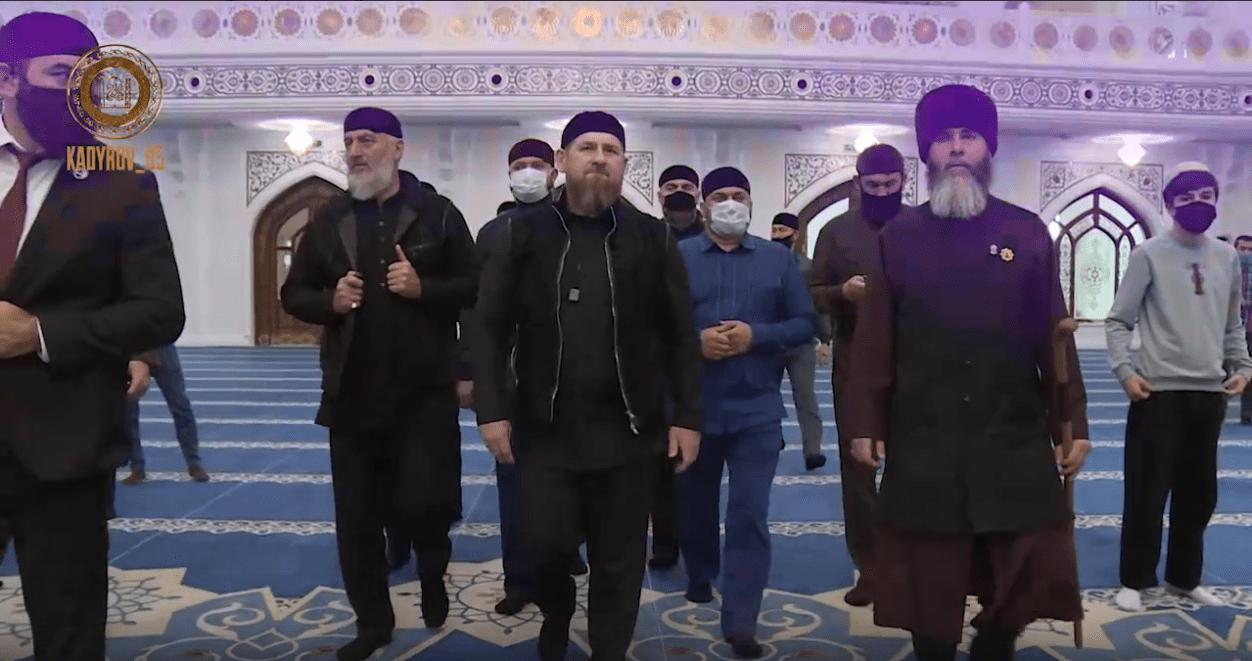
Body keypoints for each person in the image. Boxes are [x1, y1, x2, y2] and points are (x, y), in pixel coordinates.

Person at [845, 84, 1092, 661]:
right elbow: (876, 339)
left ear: (989, 148)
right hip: (925, 437)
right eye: (943, 138)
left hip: (1012, 433)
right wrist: (866, 421)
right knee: (927, 593)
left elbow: (1054, 336)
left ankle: (993, 644)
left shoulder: (1026, 232)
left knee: (1018, 582)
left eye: (970, 136)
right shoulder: (899, 236)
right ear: (927, 154)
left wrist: (1073, 421)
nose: (956, 148)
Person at [473, 110, 703, 661]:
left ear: (623, 163)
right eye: (586, 148)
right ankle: (556, 613)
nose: (599, 158)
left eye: (611, 150)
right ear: (562, 160)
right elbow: (488, 326)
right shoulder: (520, 234)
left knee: (619, 559)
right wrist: (491, 409)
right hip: (545, 429)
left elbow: (679, 333)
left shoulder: (652, 238)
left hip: (630, 431)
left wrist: (687, 416)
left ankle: (608, 649)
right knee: (546, 546)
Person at [0, 12, 186, 660]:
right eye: (62, 75)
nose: (82, 94)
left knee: (69, 631)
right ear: (7, 80)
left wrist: (40, 333)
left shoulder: (123, 184)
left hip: (64, 447)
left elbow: (160, 311)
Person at [280, 107, 477, 661]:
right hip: (353, 397)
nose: (355, 150)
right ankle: (373, 623)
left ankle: (432, 573)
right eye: (349, 141)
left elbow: (474, 287)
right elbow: (293, 294)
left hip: (424, 396)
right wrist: (331, 301)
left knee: (427, 504)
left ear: (397, 148)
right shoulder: (330, 218)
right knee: (358, 520)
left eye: (367, 139)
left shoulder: (438, 213)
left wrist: (424, 288)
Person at [676, 167, 818, 658]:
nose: (730, 204)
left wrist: (757, 336)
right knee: (694, 506)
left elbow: (805, 323)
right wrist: (694, 342)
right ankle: (700, 570)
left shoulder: (778, 259)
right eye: (720, 196)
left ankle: (741, 620)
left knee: (749, 513)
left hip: (757, 410)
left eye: (739, 195)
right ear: (703, 205)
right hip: (694, 410)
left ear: (752, 203)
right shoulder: (678, 257)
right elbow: (652, 326)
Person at [1104, 162, 1250, 612]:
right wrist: (1125, 372)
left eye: (1205, 197)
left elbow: (1232, 324)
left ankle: (1184, 578)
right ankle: (1134, 580)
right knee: (1147, 492)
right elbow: (1118, 320)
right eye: (1186, 199)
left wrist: (1242, 366)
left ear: (1216, 201)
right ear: (1169, 206)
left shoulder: (1226, 257)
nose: (1196, 205)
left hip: (1209, 394)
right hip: (1157, 393)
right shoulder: (1148, 254)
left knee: (1198, 493)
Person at [467, 138, 587, 617]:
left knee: (574, 480)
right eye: (520, 165)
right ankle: (518, 579)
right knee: (514, 482)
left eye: (538, 164)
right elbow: (476, 315)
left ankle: (565, 555)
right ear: (509, 173)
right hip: (515, 383)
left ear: (555, 171)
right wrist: (476, 381)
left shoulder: (579, 227)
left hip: (575, 382)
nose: (530, 172)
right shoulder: (493, 234)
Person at [808, 142, 909, 606]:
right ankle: (870, 568)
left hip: (915, 365)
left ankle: (908, 563)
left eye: (891, 185)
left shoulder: (921, 227)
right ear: (858, 184)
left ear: (904, 181)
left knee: (913, 466)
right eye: (874, 185)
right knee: (859, 469)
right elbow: (813, 292)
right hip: (855, 364)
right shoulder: (836, 232)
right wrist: (842, 292)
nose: (883, 192)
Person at [645, 163, 704, 571]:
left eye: (686, 186)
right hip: (656, 367)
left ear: (697, 194)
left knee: (700, 466)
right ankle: (665, 541)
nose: (679, 192)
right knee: (661, 462)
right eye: (671, 186)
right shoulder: (646, 237)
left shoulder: (713, 239)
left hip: (707, 366)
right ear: (659, 194)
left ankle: (698, 544)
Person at [769, 212, 832, 471]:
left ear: (795, 235)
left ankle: (812, 450)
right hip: (769, 340)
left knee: (805, 398)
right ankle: (773, 438)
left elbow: (818, 305)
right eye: (774, 230)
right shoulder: (761, 263)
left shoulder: (808, 268)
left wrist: (825, 340)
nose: (777, 235)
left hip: (801, 343)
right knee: (767, 397)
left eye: (782, 230)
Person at [119, 344, 208, 485]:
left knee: (181, 406)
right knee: (128, 411)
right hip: (132, 348)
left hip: (161, 347)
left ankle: (194, 463)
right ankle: (136, 467)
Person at [657, 165, 704, 241]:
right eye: (671, 188)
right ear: (660, 197)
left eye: (687, 188)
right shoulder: (649, 235)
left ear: (697, 196)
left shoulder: (714, 236)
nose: (679, 191)